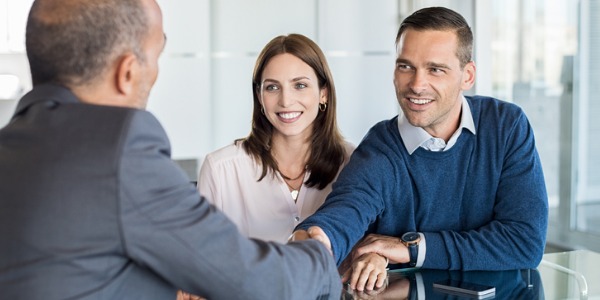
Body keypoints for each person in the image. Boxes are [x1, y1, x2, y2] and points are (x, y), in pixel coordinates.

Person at [0, 0, 342, 299]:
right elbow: (254, 279)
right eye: (156, 55)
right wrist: (319, 254)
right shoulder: (118, 153)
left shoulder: (12, 146)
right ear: (128, 72)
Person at [293, 5, 549, 291]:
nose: (416, 84)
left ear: (467, 75)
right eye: (406, 67)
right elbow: (347, 210)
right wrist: (317, 240)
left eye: (435, 70)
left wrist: (412, 248)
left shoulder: (506, 127)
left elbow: (524, 242)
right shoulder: (380, 148)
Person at [197, 33, 354, 244]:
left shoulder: (353, 162)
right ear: (260, 97)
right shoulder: (220, 169)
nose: (286, 101)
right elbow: (203, 262)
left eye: (300, 85)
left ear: (323, 93)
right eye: (272, 87)